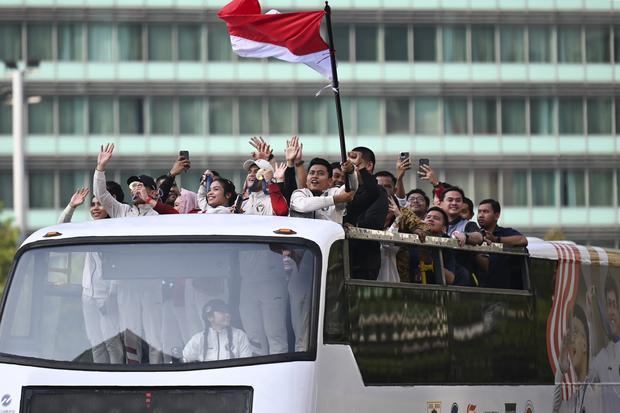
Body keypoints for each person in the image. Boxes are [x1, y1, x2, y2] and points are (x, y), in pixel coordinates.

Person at [58, 188, 124, 364]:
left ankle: (117, 381)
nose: (95, 208)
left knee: (112, 343)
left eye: (99, 204)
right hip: (88, 295)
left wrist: (112, 295)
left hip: (108, 296)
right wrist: (71, 206)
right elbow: (60, 227)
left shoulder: (118, 227)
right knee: (95, 343)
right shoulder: (88, 227)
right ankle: (99, 381)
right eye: (92, 204)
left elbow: (119, 267)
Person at [344, 147, 388, 280]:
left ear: (368, 165)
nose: (351, 168)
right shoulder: (345, 191)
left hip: (365, 261)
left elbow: (375, 222)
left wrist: (353, 225)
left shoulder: (379, 192)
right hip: (344, 257)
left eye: (356, 164)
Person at [553, 304, 600, 413]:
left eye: (575, 332)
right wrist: (561, 370)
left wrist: (589, 321)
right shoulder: (572, 400)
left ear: (585, 345)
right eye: (571, 335)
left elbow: (592, 357)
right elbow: (555, 410)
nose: (572, 340)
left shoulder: (594, 387)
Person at [289, 157, 357, 224]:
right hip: (302, 235)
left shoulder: (334, 192)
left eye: (320, 173)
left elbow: (351, 188)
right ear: (307, 179)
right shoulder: (299, 193)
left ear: (329, 181)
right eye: (311, 173)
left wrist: (351, 172)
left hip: (330, 235)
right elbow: (303, 206)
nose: (315, 176)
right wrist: (335, 199)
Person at [183, 299, 252, 362]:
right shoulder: (198, 339)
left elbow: (247, 362)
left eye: (227, 311)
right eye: (222, 312)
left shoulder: (240, 335)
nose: (227, 314)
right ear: (210, 318)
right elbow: (185, 359)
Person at [588, 276, 620, 411]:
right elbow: (588, 378)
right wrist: (589, 316)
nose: (611, 312)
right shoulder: (602, 358)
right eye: (608, 305)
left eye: (614, 305)